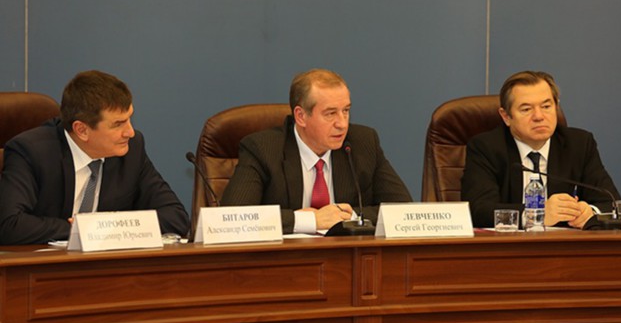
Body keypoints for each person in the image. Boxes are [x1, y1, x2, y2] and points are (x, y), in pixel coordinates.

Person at [0, 70, 190, 244]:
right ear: (82, 130)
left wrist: (109, 227)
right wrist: (82, 229)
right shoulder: (31, 152)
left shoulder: (132, 149)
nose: (130, 132)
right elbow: (9, 225)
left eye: (129, 118)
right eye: (118, 124)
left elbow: (176, 217)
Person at [221, 68, 412, 234]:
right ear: (301, 116)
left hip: (347, 257)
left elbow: (403, 212)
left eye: (346, 111)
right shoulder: (263, 149)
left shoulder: (362, 143)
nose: (342, 124)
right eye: (330, 113)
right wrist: (310, 220)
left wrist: (349, 217)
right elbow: (234, 219)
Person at [461, 70, 620, 229]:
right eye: (526, 109)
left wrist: (590, 212)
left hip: (565, 242)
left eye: (546, 106)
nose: (539, 116)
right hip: (509, 242)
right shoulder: (486, 148)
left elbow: (611, 202)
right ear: (506, 117)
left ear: (556, 107)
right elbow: (479, 210)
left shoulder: (579, 144)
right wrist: (535, 214)